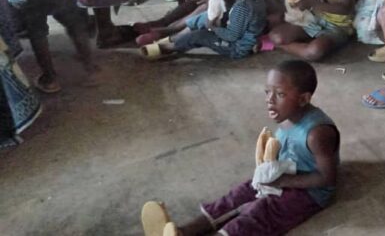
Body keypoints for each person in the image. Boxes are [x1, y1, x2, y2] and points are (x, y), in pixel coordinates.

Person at [140, 60, 340, 236]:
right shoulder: (288, 115)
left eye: (279, 94)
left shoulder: (317, 134)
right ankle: (183, 231)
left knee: (261, 212)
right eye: (267, 92)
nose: (269, 100)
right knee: (240, 194)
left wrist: (283, 181)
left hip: (310, 193)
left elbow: (327, 178)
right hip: (285, 174)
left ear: (303, 99)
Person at [141, 0, 266, 59]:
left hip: (237, 47)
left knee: (200, 36)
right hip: (236, 31)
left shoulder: (242, 8)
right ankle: (174, 37)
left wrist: (214, 28)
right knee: (206, 16)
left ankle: (170, 47)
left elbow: (232, 36)